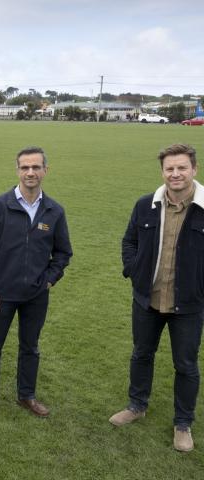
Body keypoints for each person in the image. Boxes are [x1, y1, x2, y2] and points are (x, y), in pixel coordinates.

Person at [109, 143, 204, 452]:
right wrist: (133, 270)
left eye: (181, 168)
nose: (175, 174)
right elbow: (129, 241)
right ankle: (137, 405)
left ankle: (183, 423)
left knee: (186, 365)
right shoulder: (145, 205)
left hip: (188, 305)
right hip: (147, 299)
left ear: (194, 169)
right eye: (169, 169)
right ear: (162, 172)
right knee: (141, 354)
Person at [0, 146, 72, 419]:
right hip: (1, 295)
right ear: (17, 170)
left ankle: (26, 395)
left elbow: (63, 253)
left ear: (45, 171)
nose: (30, 172)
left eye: (36, 167)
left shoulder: (54, 211)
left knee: (30, 346)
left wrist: (50, 280)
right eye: (25, 167)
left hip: (36, 295)